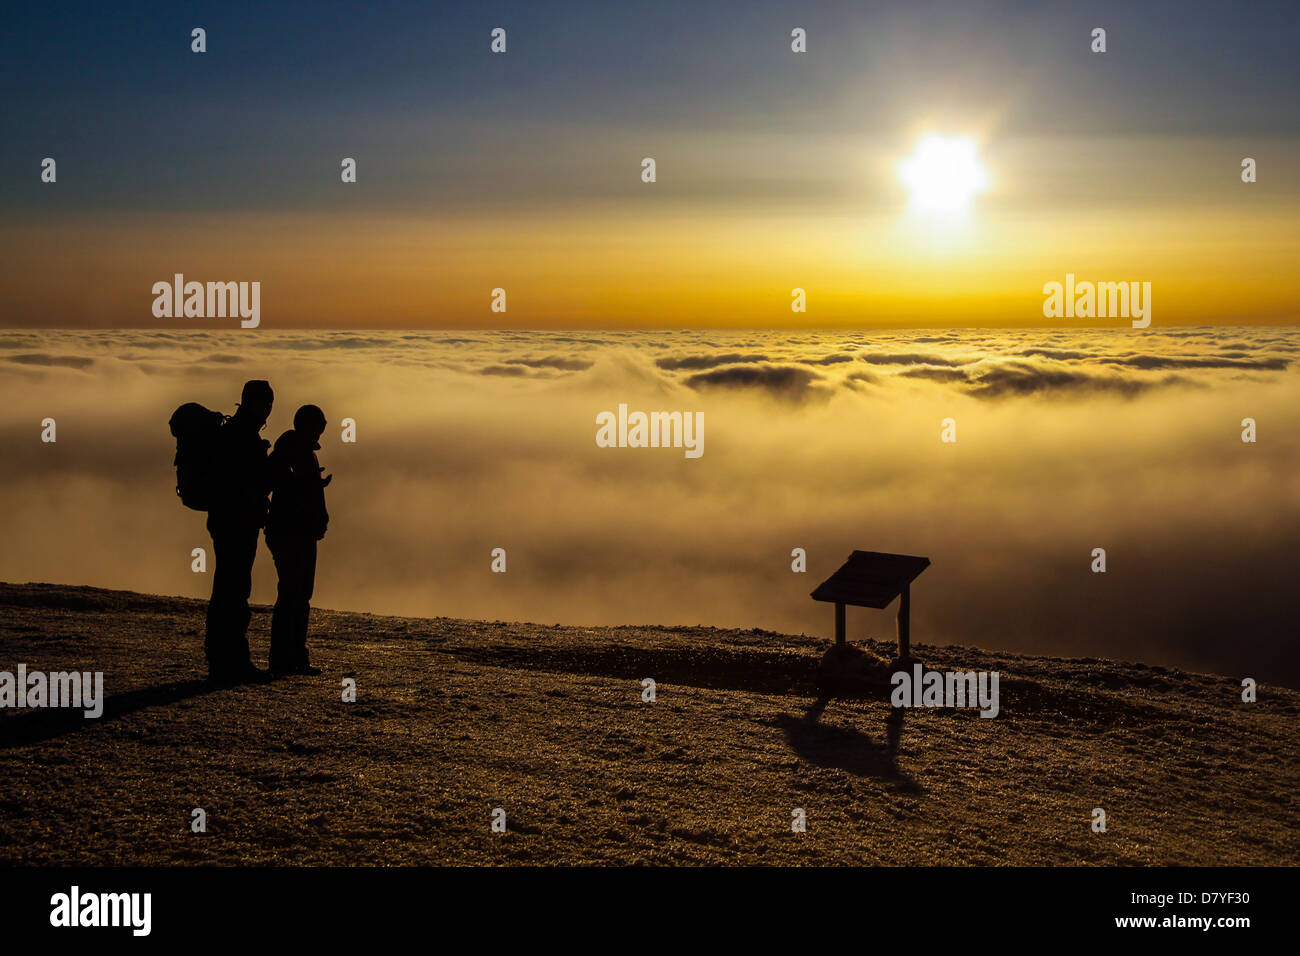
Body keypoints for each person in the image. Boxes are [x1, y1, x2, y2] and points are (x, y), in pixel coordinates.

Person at [205, 380, 274, 683]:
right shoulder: (242, 436)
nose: (268, 408)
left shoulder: (235, 432)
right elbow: (247, 482)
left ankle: (223, 658)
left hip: (230, 520)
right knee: (233, 590)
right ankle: (230, 660)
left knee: (228, 587)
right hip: (237, 521)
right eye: (265, 402)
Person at [265, 404, 331, 676]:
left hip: (298, 532)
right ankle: (285, 657)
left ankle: (293, 656)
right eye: (319, 426)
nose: (321, 432)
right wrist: (310, 485)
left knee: (298, 593)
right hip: (292, 533)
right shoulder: (292, 450)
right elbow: (284, 486)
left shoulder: (299, 451)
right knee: (294, 593)